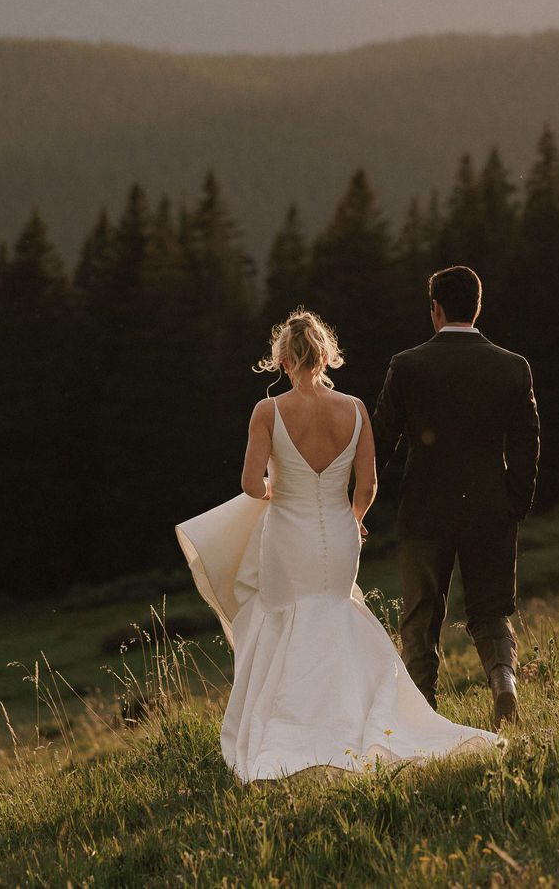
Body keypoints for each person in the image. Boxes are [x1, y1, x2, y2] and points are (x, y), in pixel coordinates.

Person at [175, 308, 498, 782]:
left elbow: (249, 484)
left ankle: (296, 728)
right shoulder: (354, 409)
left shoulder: (268, 412)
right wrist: (353, 519)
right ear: (326, 356)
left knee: (289, 624)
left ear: (282, 359)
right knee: (334, 615)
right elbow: (366, 485)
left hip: (287, 534)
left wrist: (278, 494)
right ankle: (354, 720)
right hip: (340, 534)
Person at [374, 264, 541, 729]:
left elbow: (380, 442)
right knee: (491, 610)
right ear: (478, 306)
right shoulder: (512, 366)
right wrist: (516, 502)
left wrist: (357, 502)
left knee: (420, 620)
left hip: (423, 512)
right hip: (490, 508)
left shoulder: (406, 366)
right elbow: (527, 439)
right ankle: (504, 683)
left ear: (436, 309)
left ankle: (425, 718)